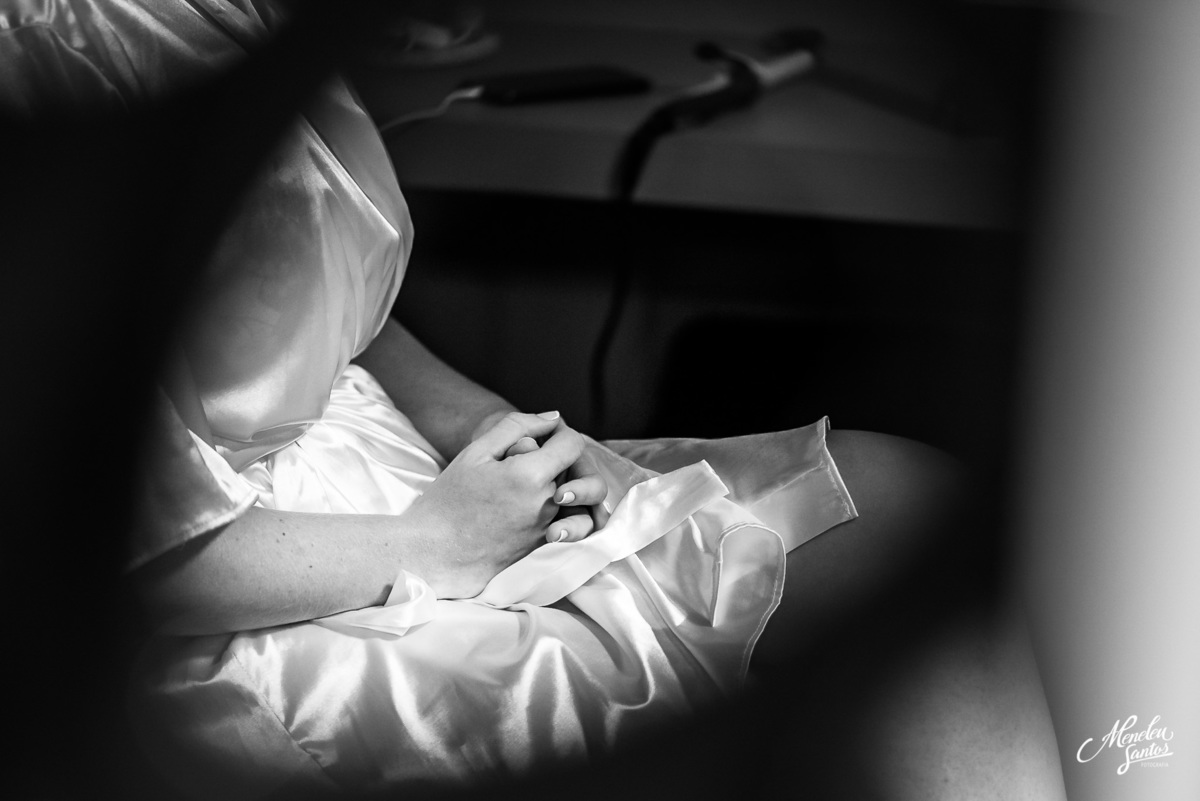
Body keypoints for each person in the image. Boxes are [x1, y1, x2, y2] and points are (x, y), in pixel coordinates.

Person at [1, 1, 1067, 798]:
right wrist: (428, 543)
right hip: (272, 584)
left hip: (407, 467)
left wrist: (492, 427)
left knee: (907, 498)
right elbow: (112, 541)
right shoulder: (58, 60)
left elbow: (325, 309)